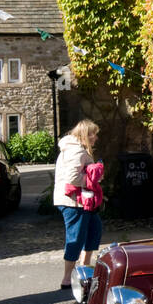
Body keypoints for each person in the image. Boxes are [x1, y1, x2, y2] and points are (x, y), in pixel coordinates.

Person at [53, 119, 102, 289]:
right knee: (76, 238)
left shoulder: (76, 149)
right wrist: (93, 181)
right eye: (93, 134)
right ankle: (67, 278)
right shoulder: (76, 151)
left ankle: (85, 269)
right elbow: (72, 177)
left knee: (94, 230)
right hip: (74, 202)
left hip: (82, 201)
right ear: (85, 135)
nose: (95, 137)